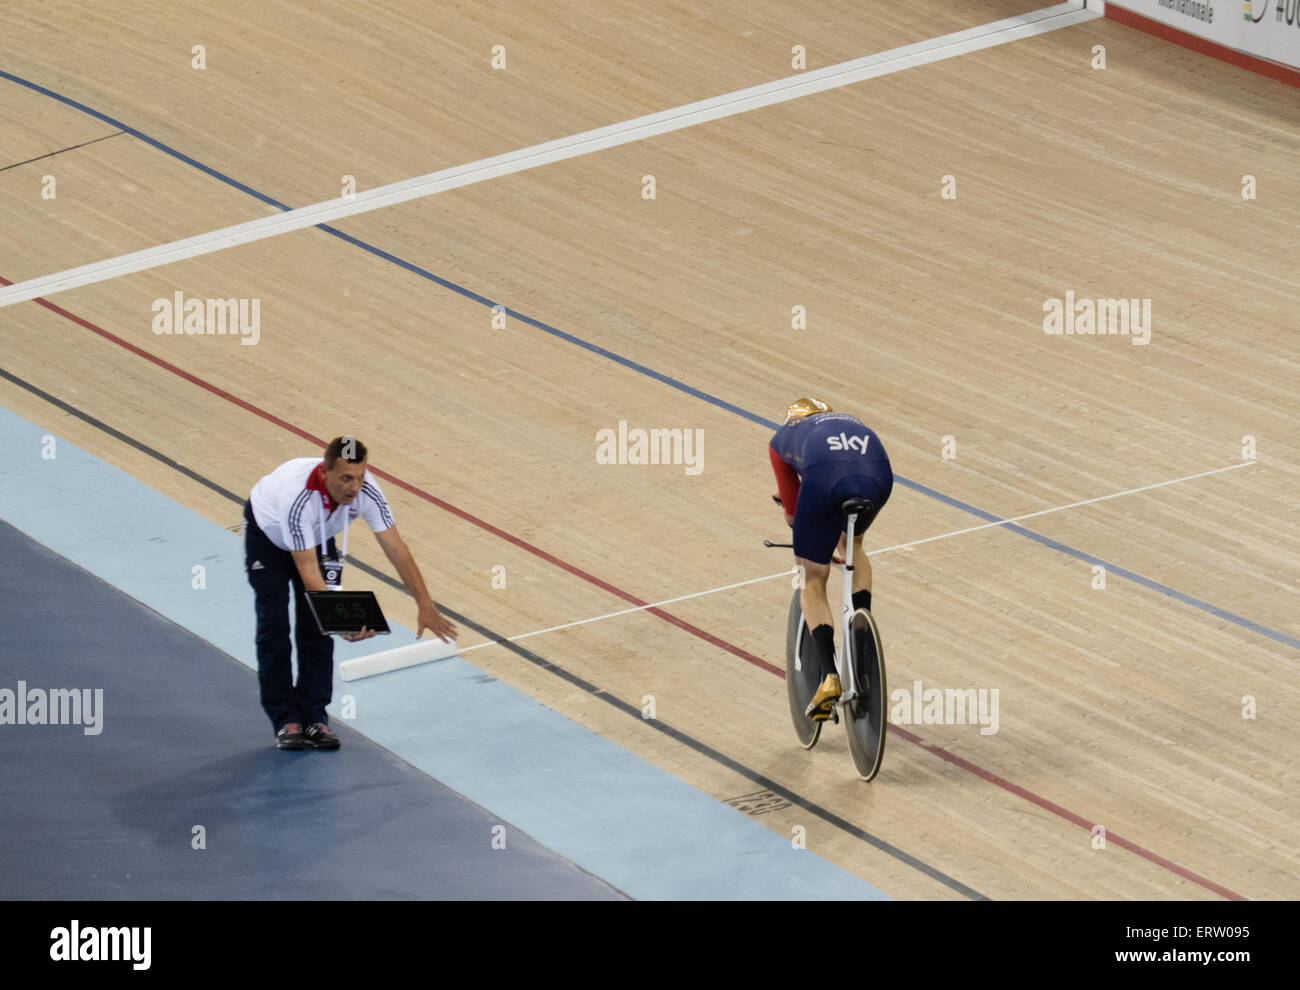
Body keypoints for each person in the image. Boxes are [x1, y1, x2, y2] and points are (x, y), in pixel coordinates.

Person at [243, 435, 456, 750]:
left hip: (317, 532)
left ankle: (314, 716)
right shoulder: (297, 497)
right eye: (345, 478)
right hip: (269, 538)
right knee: (275, 625)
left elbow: (396, 548)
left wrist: (425, 604)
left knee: (316, 629)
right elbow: (308, 572)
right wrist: (339, 622)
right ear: (325, 471)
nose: (354, 487)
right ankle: (285, 718)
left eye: (359, 477)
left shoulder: (366, 491)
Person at [769, 398, 892, 720]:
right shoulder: (851, 420)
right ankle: (861, 625)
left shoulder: (782, 438)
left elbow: (795, 515)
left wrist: (794, 518)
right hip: (877, 478)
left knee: (811, 575)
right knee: (853, 545)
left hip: (825, 481)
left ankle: (828, 678)